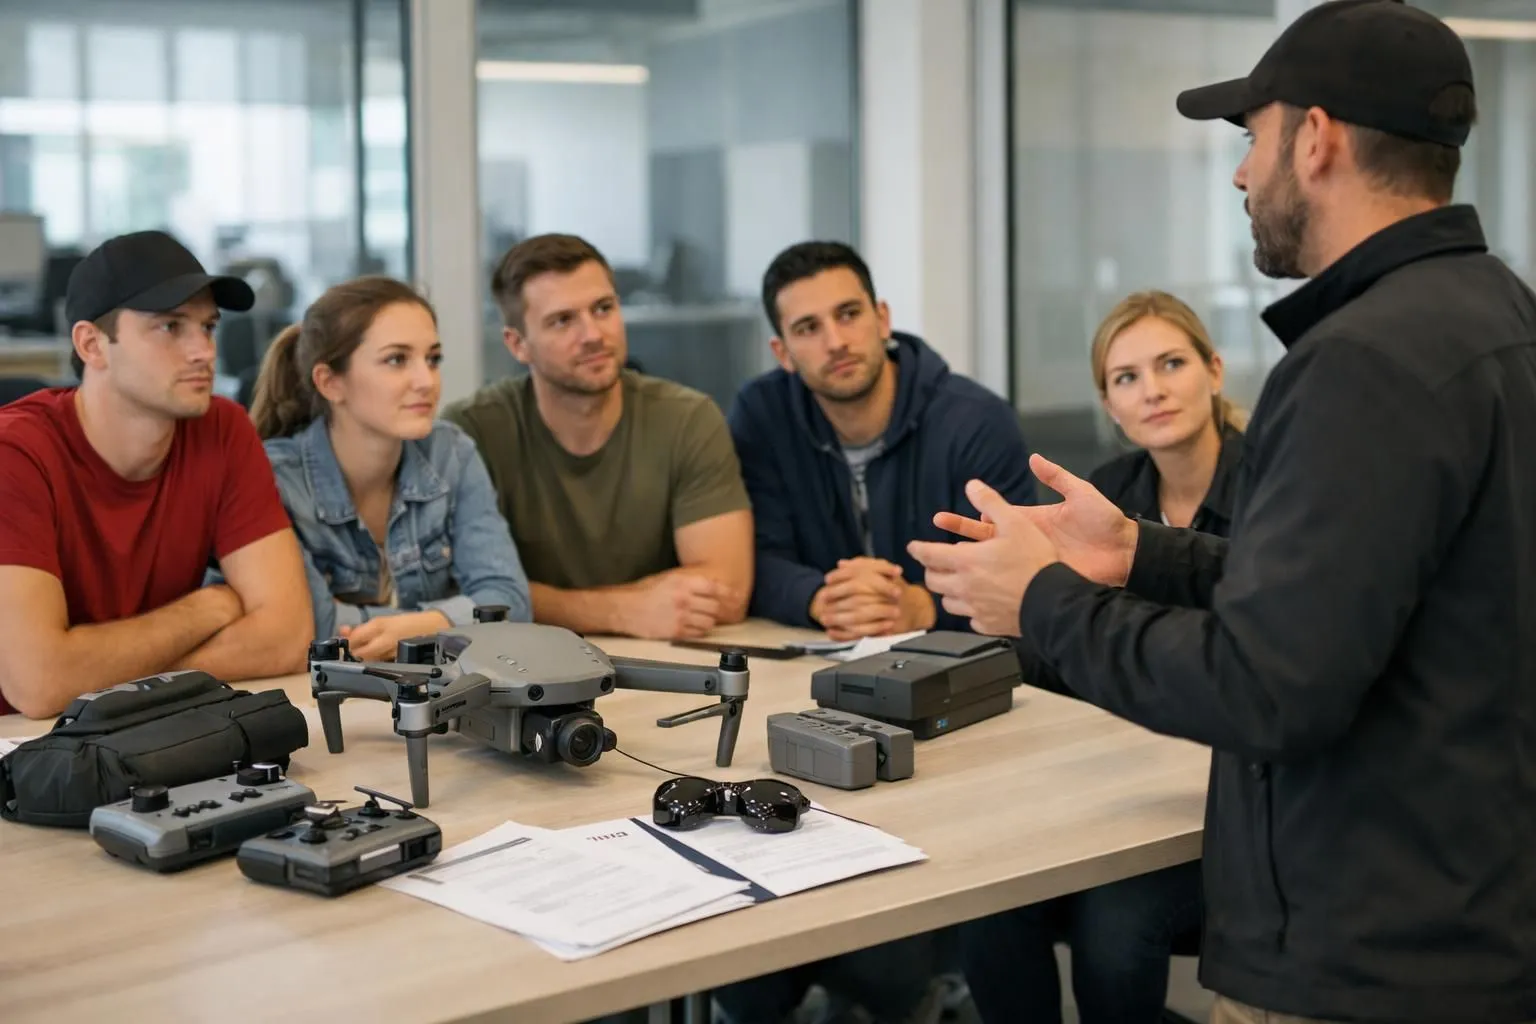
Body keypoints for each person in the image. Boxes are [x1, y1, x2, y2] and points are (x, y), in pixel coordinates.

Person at [913, 3, 1536, 1022]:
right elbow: (1365, 597)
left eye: (1252, 139)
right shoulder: (1494, 311)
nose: (1243, 174)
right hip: (1463, 916)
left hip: (1365, 955)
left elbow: (1265, 687)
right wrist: (1143, 554)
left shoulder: (1358, 365)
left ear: (1318, 139)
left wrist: (1045, 600)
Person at [965, 291, 1243, 1024]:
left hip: (1233, 801)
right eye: (1126, 377)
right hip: (1119, 788)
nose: (1151, 389)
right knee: (986, 897)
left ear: (1214, 371)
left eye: (1171, 363)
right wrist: (1011, 614)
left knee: (1115, 926)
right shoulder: (1106, 496)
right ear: (1108, 404)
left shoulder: (1279, 484)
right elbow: (1063, 664)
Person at [0, 230, 313, 718]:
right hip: (23, 751)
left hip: (142, 735)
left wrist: (106, 675)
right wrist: (207, 608)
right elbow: (40, 684)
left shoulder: (222, 428)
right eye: (170, 327)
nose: (203, 352)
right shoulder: (16, 454)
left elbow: (288, 636)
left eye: (208, 327)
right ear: (92, 344)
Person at [444, 234, 752, 641]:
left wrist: (534, 600)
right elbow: (457, 597)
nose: (592, 334)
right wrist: (622, 611)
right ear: (518, 344)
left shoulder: (688, 419)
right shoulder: (470, 433)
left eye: (603, 309)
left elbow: (727, 591)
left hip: (668, 661)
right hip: (520, 672)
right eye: (562, 320)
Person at [729, 241, 1034, 640]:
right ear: (782, 353)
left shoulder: (975, 420)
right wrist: (820, 598)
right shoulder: (761, 416)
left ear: (882, 318)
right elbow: (753, 558)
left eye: (849, 314)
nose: (836, 342)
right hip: (820, 655)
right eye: (808, 328)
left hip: (959, 666)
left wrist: (924, 606)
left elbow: (1013, 570)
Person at [249, 276, 532, 659]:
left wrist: (413, 629)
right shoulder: (273, 479)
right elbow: (306, 626)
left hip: (432, 697)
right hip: (321, 704)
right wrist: (450, 623)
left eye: (432, 359)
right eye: (397, 359)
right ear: (330, 383)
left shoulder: (452, 453)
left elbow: (510, 601)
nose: (426, 381)